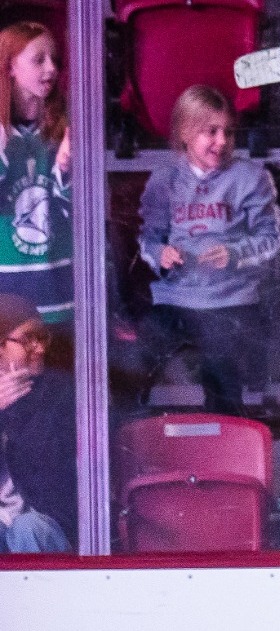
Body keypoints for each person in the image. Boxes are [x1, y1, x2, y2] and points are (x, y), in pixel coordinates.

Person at [136, 85, 280, 414]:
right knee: (132, 359)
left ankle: (225, 448)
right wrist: (160, 254)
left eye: (228, 133)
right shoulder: (163, 180)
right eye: (211, 132)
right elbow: (149, 238)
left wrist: (234, 253)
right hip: (174, 300)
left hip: (229, 300)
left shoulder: (251, 176)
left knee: (221, 371)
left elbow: (271, 238)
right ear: (185, 134)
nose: (222, 142)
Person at [0, 23, 69, 327]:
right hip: (9, 299)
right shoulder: (4, 133)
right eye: (39, 59)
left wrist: (67, 169)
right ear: (9, 66)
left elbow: (84, 212)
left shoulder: (65, 129)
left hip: (61, 292)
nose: (51, 69)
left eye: (54, 59)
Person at [0, 294, 67, 552]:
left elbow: (55, 480)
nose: (40, 348)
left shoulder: (59, 395)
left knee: (27, 528)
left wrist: (19, 413)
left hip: (44, 525)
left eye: (42, 338)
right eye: (29, 339)